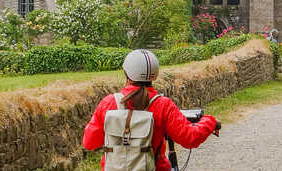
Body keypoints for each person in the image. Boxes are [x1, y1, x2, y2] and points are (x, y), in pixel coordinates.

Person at [83, 49, 220, 170]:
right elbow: (190, 138)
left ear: (126, 73)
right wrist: (210, 121)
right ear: (155, 74)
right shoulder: (163, 105)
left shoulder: (108, 103)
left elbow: (89, 143)